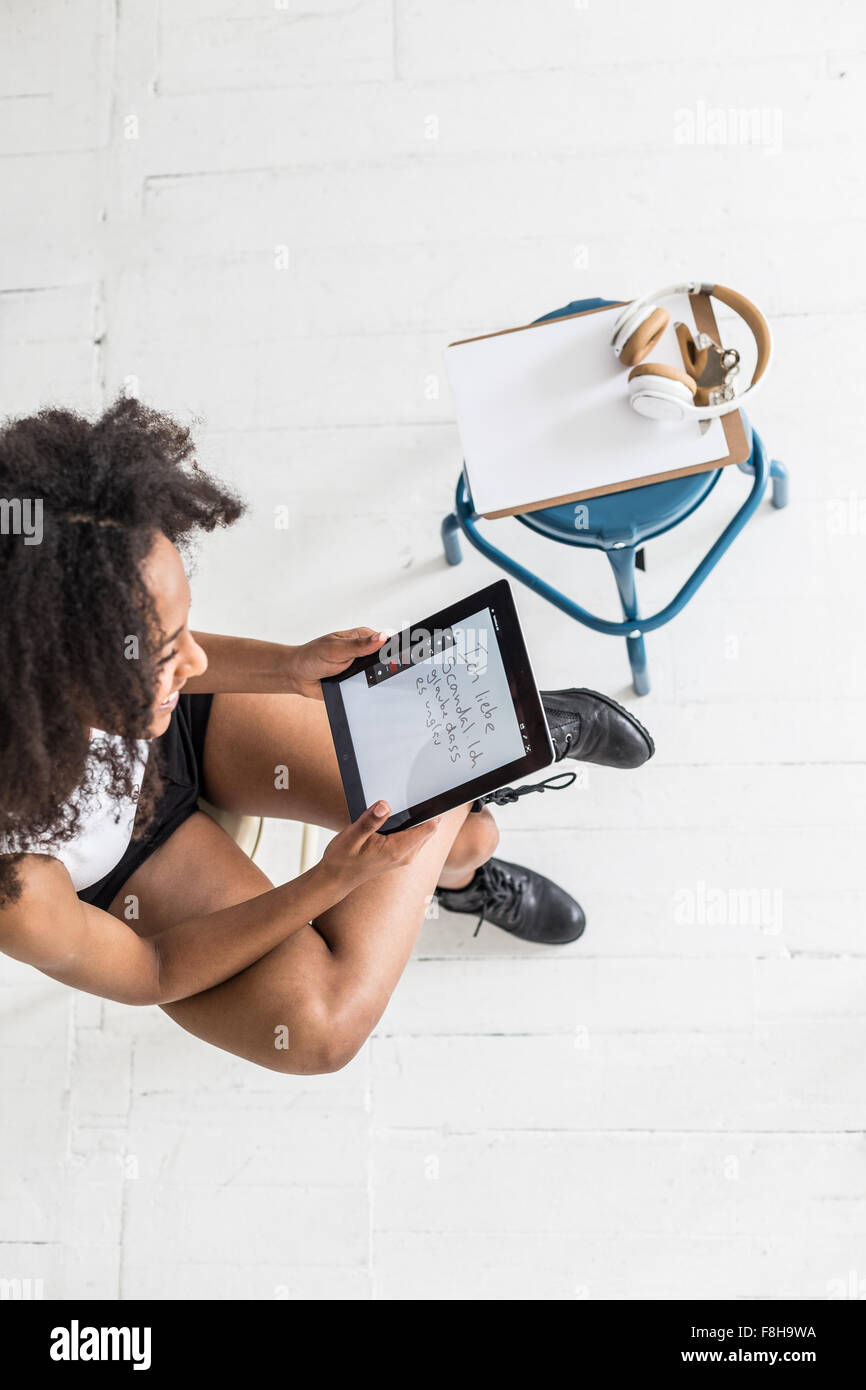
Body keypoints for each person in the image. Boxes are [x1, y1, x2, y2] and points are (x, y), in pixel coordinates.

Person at [0, 398, 653, 1075]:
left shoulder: (45, 622)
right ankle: (475, 778)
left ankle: (465, 822)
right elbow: (152, 967)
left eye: (183, 629)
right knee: (321, 1030)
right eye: (163, 654)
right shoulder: (13, 885)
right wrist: (328, 880)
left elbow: (166, 651)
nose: (193, 660)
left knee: (447, 823)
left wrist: (285, 667)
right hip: (124, 867)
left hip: (174, 727)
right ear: (43, 674)